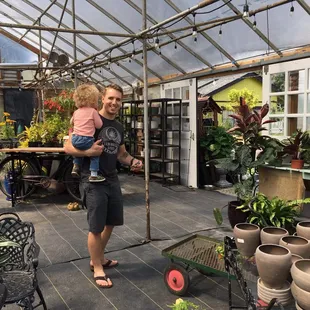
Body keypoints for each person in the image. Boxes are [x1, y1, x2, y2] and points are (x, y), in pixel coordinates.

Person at [64, 83, 143, 289]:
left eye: (118, 99)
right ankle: (97, 267)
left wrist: (134, 161)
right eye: (111, 98)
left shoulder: (118, 127)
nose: (114, 102)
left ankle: (97, 257)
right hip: (92, 180)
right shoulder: (89, 117)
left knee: (111, 222)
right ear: (102, 99)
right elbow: (67, 146)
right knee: (96, 226)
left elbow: (121, 154)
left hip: (112, 179)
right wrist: (88, 153)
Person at [71, 84, 105, 182]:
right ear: (93, 99)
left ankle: (75, 166)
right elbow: (99, 125)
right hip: (87, 139)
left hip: (75, 139)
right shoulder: (92, 112)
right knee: (95, 155)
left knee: (78, 152)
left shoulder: (76, 112)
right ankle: (94, 174)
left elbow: (71, 122)